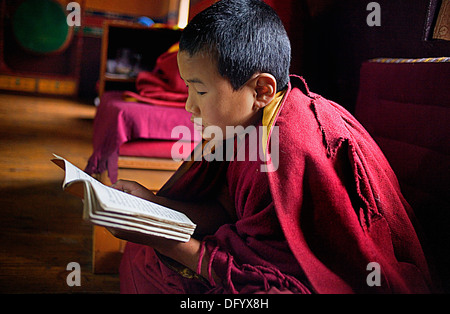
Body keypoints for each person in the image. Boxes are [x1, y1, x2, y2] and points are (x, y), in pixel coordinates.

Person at [110, 0, 434, 294]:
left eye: (201, 92)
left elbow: (279, 278)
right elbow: (228, 210)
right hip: (256, 245)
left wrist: (166, 240)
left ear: (262, 89)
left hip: (343, 278)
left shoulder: (284, 149)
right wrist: (153, 205)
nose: (189, 107)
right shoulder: (247, 123)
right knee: (142, 255)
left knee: (154, 268)